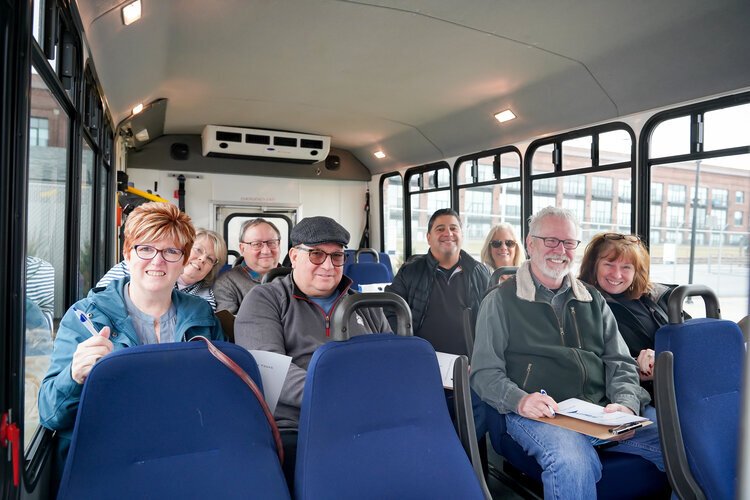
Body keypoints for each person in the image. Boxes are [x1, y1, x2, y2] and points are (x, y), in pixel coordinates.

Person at [470, 207, 664, 498]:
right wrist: (520, 401)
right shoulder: (500, 302)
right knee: (573, 462)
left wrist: (624, 403)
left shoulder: (592, 299)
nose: (560, 250)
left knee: (685, 441)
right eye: (550, 241)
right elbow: (485, 373)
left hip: (601, 411)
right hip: (541, 414)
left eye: (568, 243)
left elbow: (620, 362)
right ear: (530, 243)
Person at [39, 202, 224, 476]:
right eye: (146, 248)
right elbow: (51, 414)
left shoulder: (202, 315)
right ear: (127, 254)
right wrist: (74, 375)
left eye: (171, 251)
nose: (157, 260)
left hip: (182, 451)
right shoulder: (87, 316)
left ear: (184, 260)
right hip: (106, 457)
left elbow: (220, 396)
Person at [234, 216, 389, 486]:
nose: (328, 266)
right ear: (294, 256)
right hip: (298, 424)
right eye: (316, 255)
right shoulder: (264, 300)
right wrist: (347, 399)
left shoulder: (365, 304)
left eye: (337, 256)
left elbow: (390, 358)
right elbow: (273, 373)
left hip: (369, 417)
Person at [578, 232, 681, 396]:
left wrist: (660, 358)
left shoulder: (658, 298)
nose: (616, 274)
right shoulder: (582, 306)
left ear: (636, 271)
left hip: (679, 386)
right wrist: (640, 368)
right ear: (594, 266)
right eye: (609, 264)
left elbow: (689, 340)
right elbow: (589, 367)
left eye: (626, 267)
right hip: (636, 395)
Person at [385, 208, 490, 356]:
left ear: (461, 234)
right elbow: (390, 310)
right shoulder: (410, 272)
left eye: (453, 228)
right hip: (422, 359)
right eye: (440, 229)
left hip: (469, 362)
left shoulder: (479, 272)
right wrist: (409, 348)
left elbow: (491, 320)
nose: (448, 234)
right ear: (428, 237)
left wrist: (481, 359)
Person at [96, 228, 227, 311]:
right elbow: (99, 301)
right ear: (184, 250)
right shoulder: (133, 266)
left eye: (210, 259)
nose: (202, 259)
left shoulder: (205, 300)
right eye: (198, 250)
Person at [214, 218, 281, 314]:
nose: (266, 251)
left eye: (272, 243)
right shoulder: (226, 283)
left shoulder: (295, 277)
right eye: (257, 244)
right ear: (242, 248)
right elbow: (229, 326)